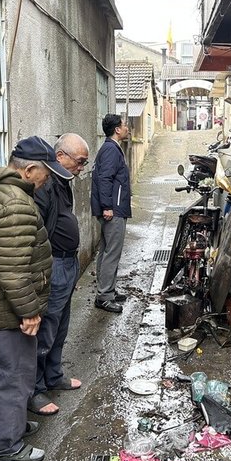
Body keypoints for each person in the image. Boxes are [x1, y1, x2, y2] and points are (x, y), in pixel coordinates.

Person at [0, 136, 71, 461]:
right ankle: (3, 447)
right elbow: (12, 270)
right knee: (13, 377)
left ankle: (12, 426)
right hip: (8, 311)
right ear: (30, 169)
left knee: (12, 373)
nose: (47, 180)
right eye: (46, 173)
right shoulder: (16, 205)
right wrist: (28, 311)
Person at [29, 133, 90, 416]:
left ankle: (54, 375)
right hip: (53, 266)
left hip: (67, 264)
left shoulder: (63, 182)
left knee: (61, 325)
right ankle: (36, 389)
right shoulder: (44, 185)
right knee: (45, 329)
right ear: (61, 156)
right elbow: (36, 231)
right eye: (79, 162)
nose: (81, 168)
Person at [90, 114, 131, 313]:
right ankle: (104, 296)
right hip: (112, 210)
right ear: (117, 129)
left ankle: (108, 291)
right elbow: (104, 179)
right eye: (124, 125)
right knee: (111, 253)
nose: (127, 128)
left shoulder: (112, 148)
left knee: (106, 251)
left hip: (113, 208)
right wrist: (107, 206)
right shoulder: (110, 150)